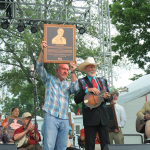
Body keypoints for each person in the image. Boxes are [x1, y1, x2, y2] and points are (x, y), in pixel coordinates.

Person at [36, 40, 78, 150]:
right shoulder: (49, 79)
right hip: (51, 115)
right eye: (63, 69)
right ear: (56, 70)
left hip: (64, 118)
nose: (66, 71)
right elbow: (39, 67)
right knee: (49, 146)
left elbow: (76, 89)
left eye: (67, 70)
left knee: (62, 147)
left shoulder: (68, 84)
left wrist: (74, 72)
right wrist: (43, 51)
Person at [74, 57, 112, 150]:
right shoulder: (81, 82)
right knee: (90, 144)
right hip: (90, 118)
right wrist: (87, 90)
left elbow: (109, 97)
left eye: (94, 67)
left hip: (103, 117)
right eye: (90, 67)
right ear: (85, 69)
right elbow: (76, 99)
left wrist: (108, 97)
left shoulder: (103, 81)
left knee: (106, 144)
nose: (93, 69)